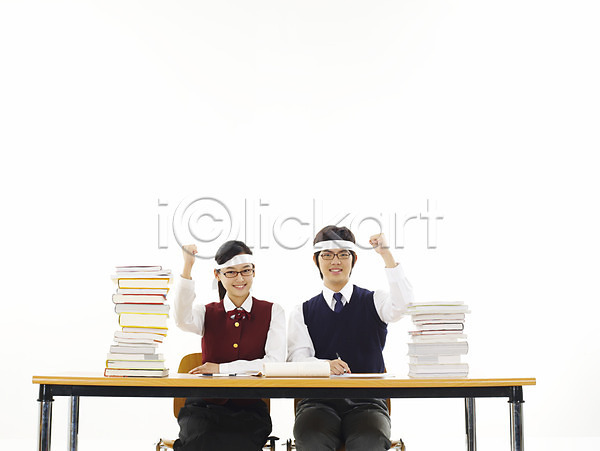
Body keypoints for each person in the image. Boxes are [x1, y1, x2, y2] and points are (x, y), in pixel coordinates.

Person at [287, 226, 414, 451]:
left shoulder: (374, 300)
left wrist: (386, 254)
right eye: (327, 255)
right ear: (316, 260)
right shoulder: (302, 311)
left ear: (353, 259)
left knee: (369, 439)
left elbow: (404, 306)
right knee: (312, 437)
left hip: (368, 402)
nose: (335, 261)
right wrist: (324, 366)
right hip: (318, 403)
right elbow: (296, 360)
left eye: (343, 254)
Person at [173, 240, 286, 451]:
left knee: (238, 444)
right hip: (203, 408)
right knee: (201, 441)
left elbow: (275, 364)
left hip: (249, 411)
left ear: (254, 272)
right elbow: (181, 320)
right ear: (218, 275)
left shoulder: (273, 311)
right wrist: (187, 266)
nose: (240, 278)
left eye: (246, 271)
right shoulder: (206, 312)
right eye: (231, 272)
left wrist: (221, 369)